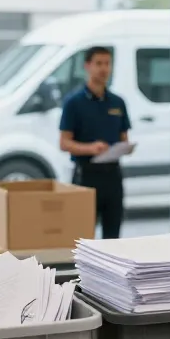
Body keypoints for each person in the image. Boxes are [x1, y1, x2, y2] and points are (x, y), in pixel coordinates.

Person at [60, 46, 132, 239]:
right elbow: (64, 143)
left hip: (113, 175)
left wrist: (125, 148)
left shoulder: (117, 102)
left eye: (107, 64)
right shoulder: (74, 103)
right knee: (83, 237)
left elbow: (124, 137)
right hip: (86, 175)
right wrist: (90, 148)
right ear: (87, 66)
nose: (104, 69)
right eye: (99, 63)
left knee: (113, 237)